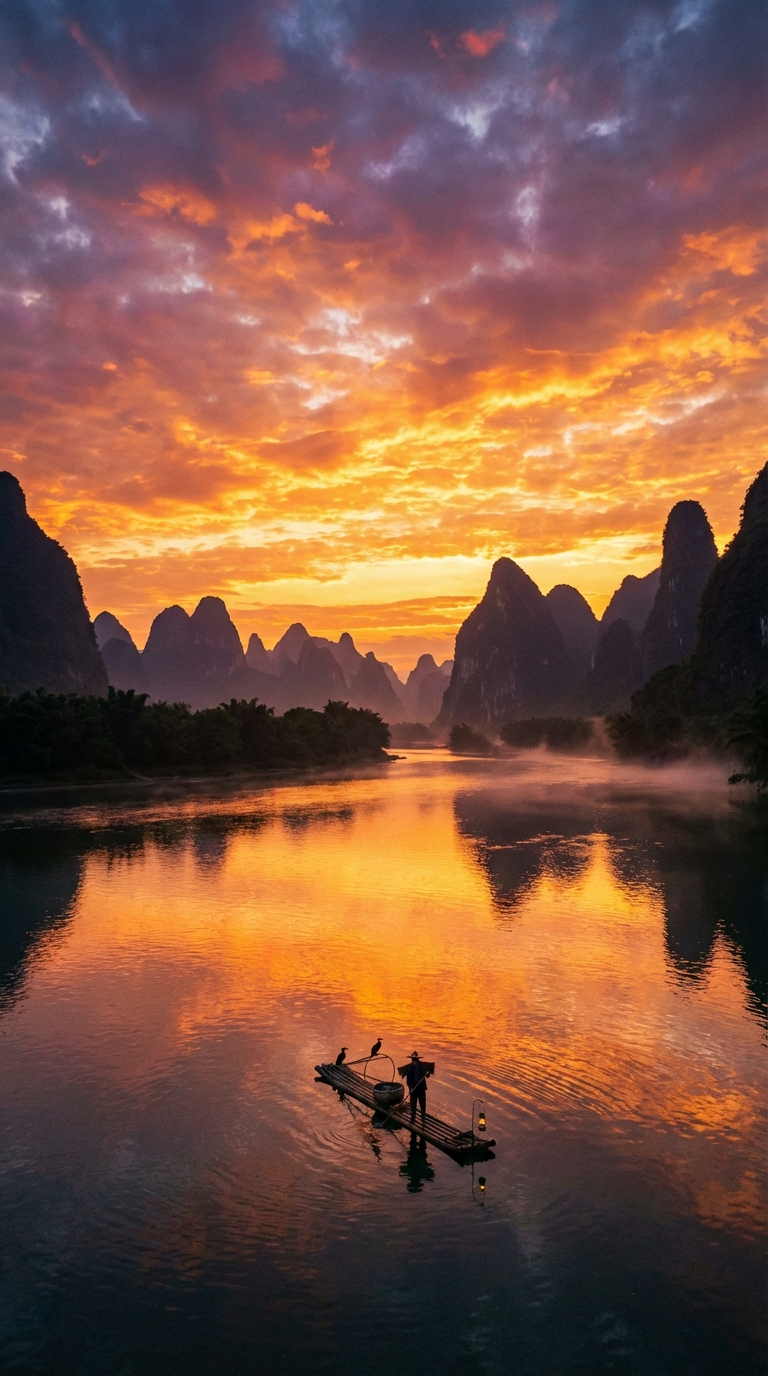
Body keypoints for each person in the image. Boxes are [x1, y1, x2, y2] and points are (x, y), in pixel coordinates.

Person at [402, 1051, 429, 1124]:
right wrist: (410, 1088)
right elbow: (408, 1080)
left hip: (421, 1089)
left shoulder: (422, 1066)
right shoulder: (409, 1068)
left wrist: (427, 1073)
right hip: (413, 1089)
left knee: (422, 1105)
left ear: (417, 1059)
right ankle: (413, 1120)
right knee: (413, 1106)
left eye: (415, 1059)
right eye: (413, 1059)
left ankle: (423, 1119)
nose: (413, 1060)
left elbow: (427, 1075)